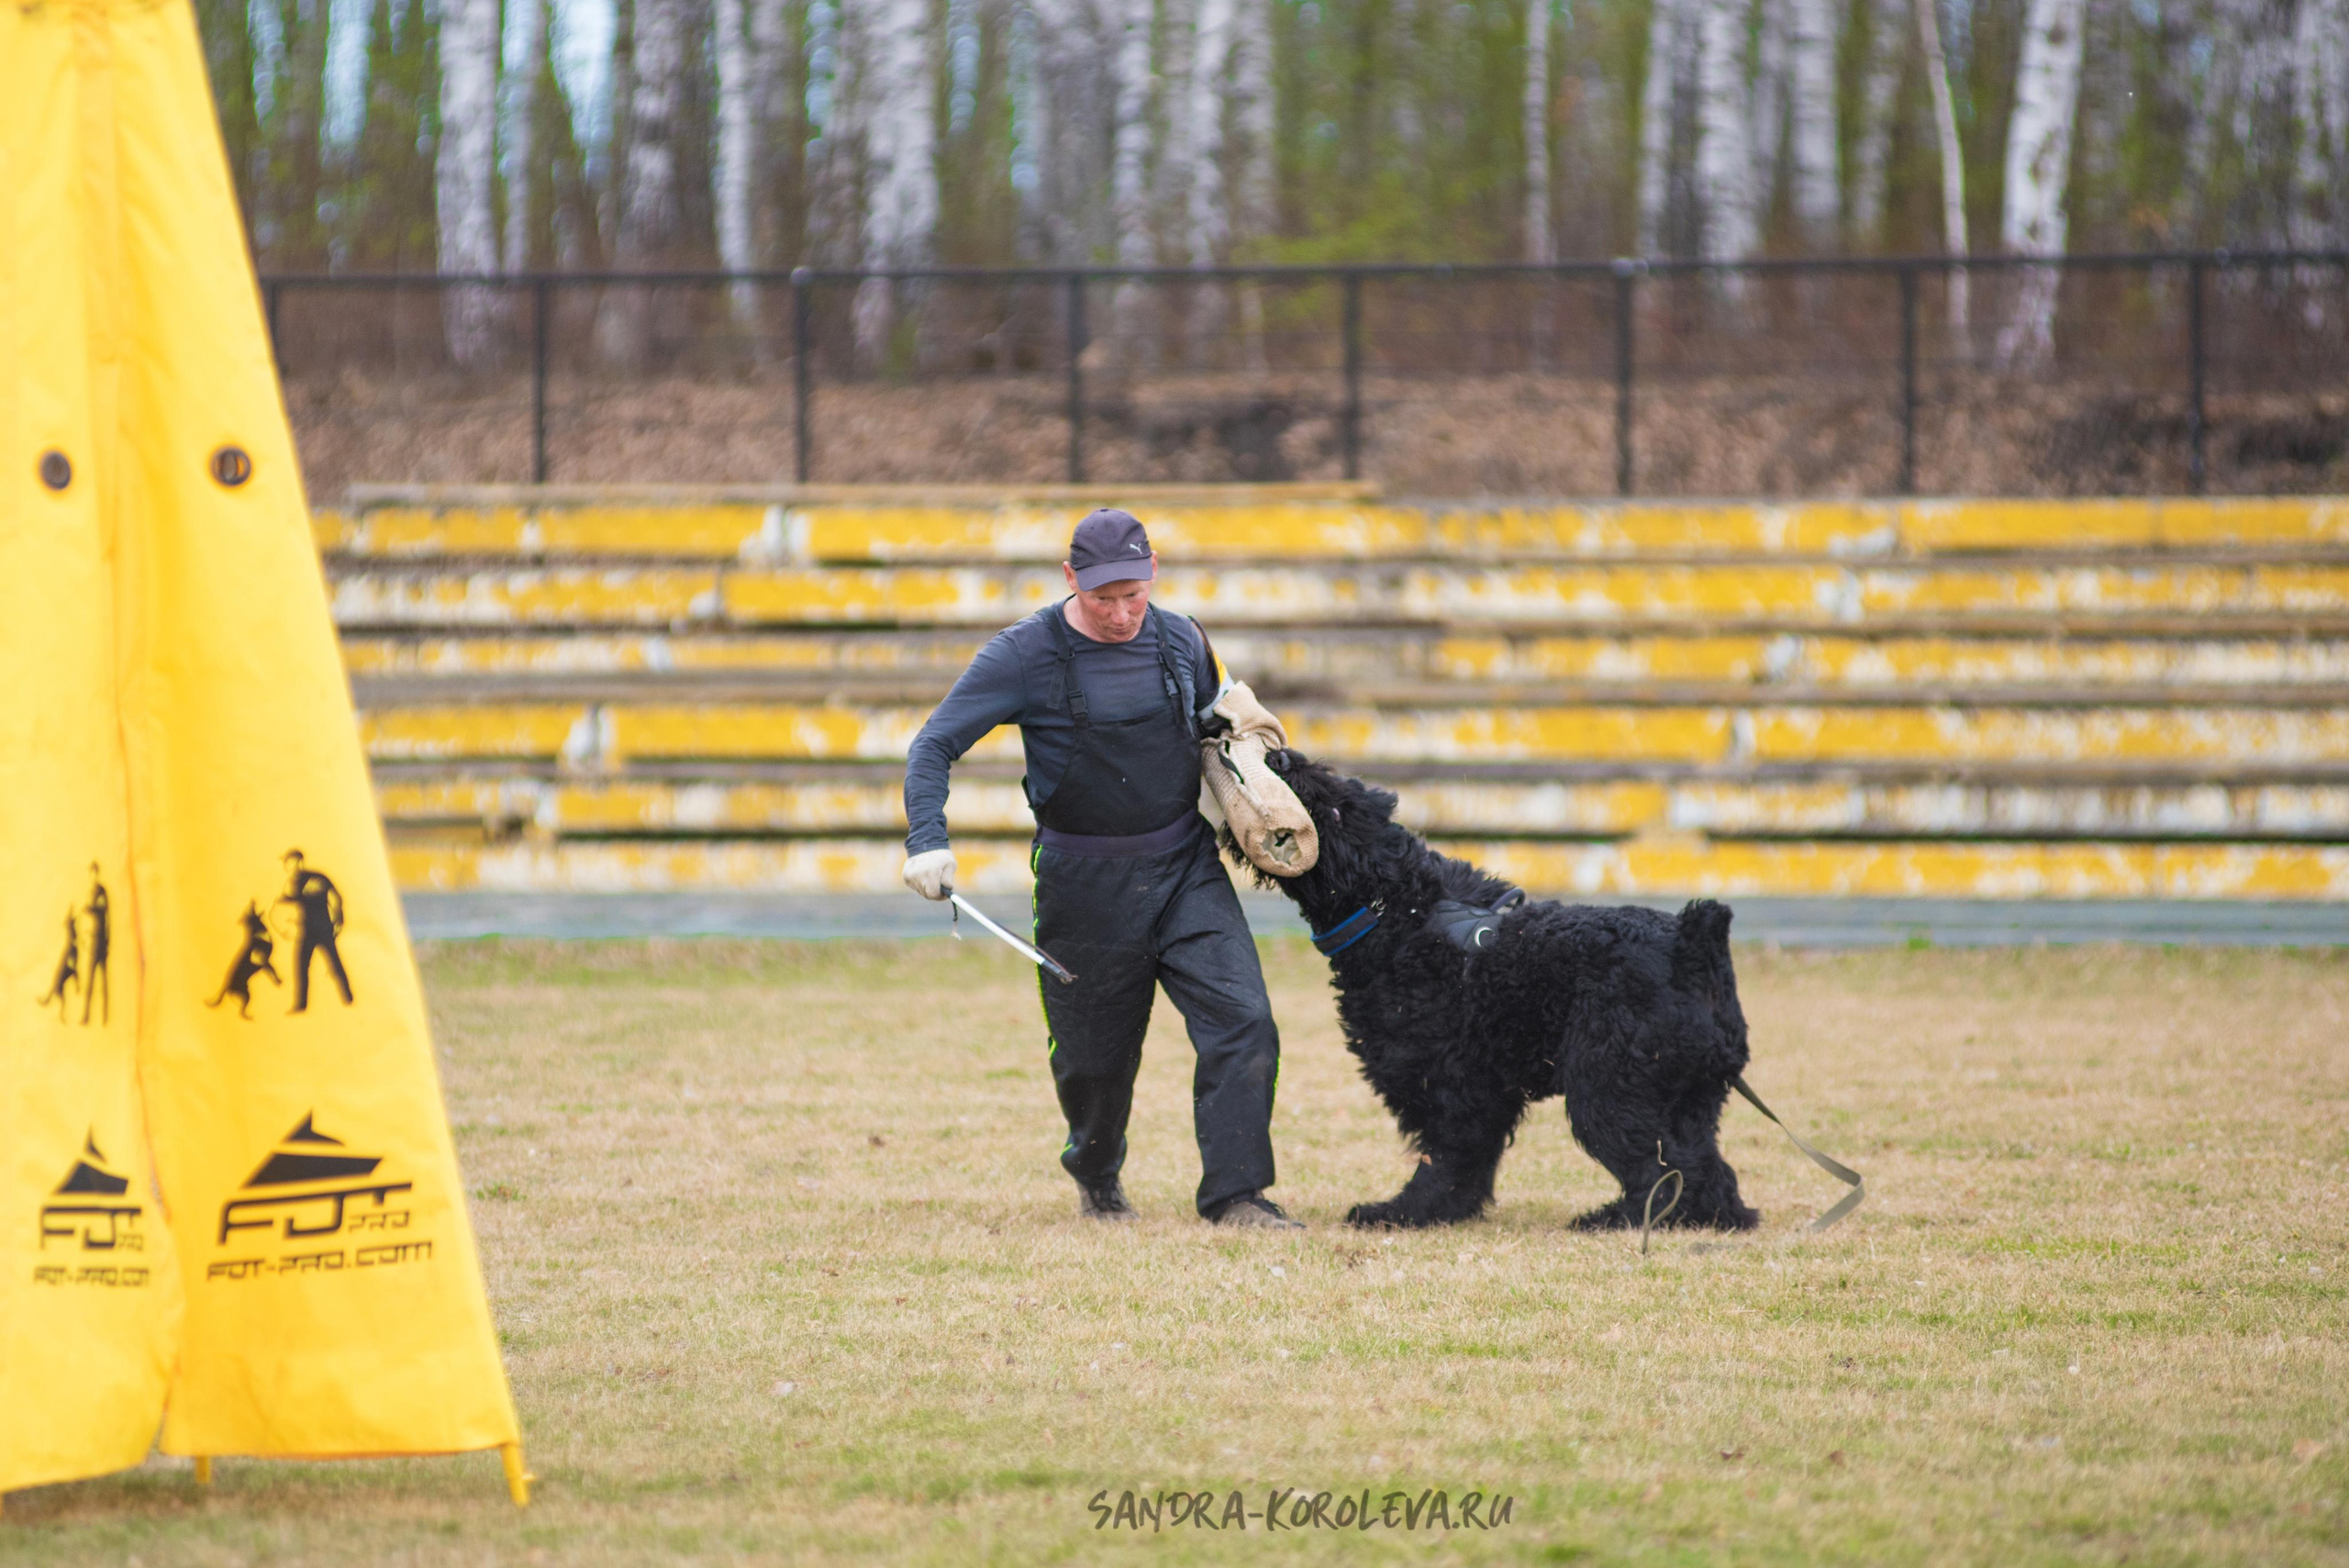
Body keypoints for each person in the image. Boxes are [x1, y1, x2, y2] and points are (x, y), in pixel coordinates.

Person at [902, 509, 1300, 1229]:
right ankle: (1096, 1172)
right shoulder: (1022, 654)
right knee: (1095, 1065)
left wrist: (1258, 745)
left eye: (1133, 596)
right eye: (1102, 598)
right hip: (1082, 884)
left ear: (1152, 577)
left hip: (1184, 866)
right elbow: (932, 746)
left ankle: (1238, 1196)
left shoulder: (1182, 636)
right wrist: (926, 839)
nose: (1121, 614)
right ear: (1069, 581)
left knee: (1245, 1020)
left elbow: (1229, 715)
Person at [277, 850, 352, 1012]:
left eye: (289, 862)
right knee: (303, 966)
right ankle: (302, 1004)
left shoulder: (308, 879)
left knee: (333, 965)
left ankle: (349, 999)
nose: (287, 866)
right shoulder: (296, 881)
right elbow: (303, 899)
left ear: (298, 862)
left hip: (320, 928)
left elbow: (335, 897)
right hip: (312, 929)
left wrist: (339, 919)